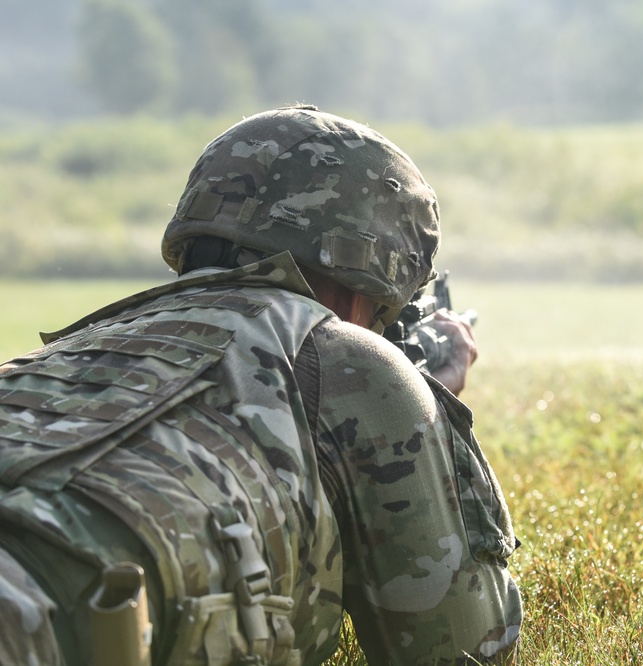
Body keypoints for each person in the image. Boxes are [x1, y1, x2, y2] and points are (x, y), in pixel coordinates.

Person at [0, 105, 522, 665]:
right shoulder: (351, 364)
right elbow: (468, 647)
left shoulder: (76, 345)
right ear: (363, 278)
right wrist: (420, 404)